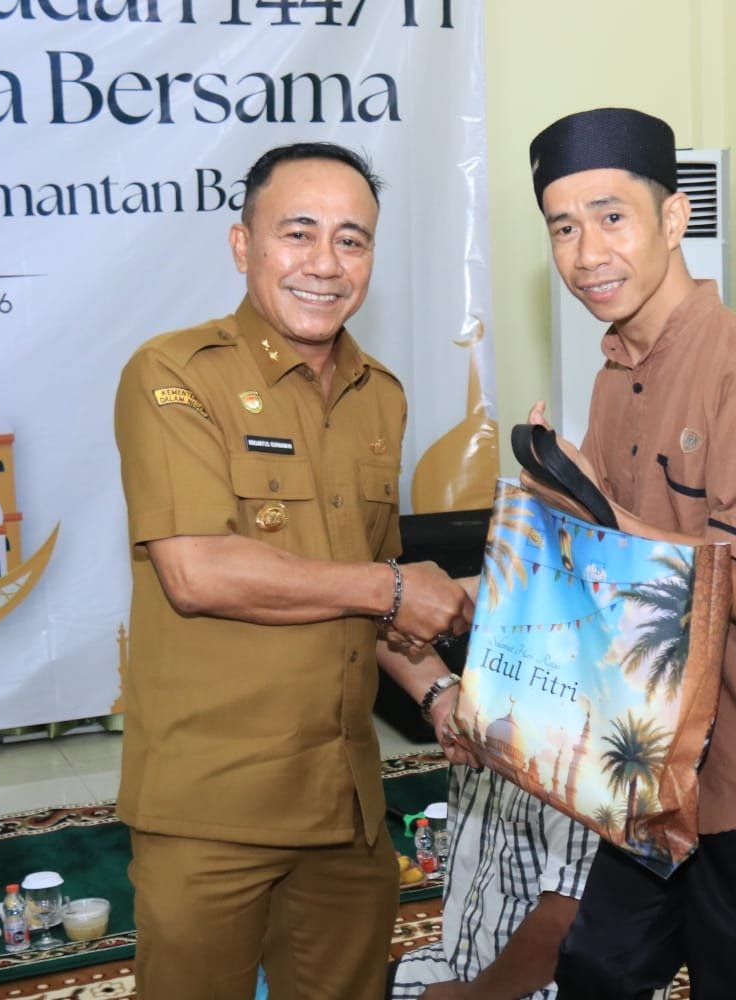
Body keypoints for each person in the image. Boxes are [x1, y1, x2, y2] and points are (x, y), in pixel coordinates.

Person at [112, 141, 474, 1000]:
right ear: (243, 245)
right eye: (298, 233)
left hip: (343, 799)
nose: (325, 264)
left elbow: (369, 589)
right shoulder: (173, 375)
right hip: (213, 803)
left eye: (352, 240)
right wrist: (394, 587)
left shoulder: (379, 395)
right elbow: (198, 572)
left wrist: (437, 693)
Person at [520, 108, 736, 1000]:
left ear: (674, 217)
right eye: (563, 228)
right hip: (645, 761)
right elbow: (607, 567)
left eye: (611, 217)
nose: (587, 254)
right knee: (596, 971)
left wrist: (601, 510)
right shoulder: (613, 370)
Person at [382, 647, 600, 1000]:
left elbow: (566, 920)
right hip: (468, 962)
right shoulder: (478, 725)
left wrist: (471, 996)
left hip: (541, 985)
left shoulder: (577, 764)